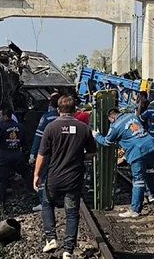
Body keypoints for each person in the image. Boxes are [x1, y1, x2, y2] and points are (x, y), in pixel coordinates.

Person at [34, 95, 96, 259]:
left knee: (47, 204)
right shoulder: (84, 128)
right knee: (71, 213)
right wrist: (78, 157)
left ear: (58, 109)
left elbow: (42, 155)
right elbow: (92, 153)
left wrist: (36, 175)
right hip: (74, 178)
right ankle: (68, 250)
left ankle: (51, 238)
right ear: (75, 110)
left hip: (54, 177)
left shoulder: (51, 127)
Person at [93, 107, 154, 218]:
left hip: (137, 150)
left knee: (138, 180)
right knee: (150, 170)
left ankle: (135, 210)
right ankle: (151, 194)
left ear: (112, 118)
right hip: (151, 144)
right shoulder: (132, 116)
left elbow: (107, 142)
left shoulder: (115, 126)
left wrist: (96, 135)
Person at [0, 106, 31, 208]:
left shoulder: (1, 127)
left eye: (0, 115)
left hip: (4, 157)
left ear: (5, 116)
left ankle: (1, 202)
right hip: (17, 155)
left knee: (2, 180)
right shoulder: (20, 127)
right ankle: (32, 192)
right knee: (26, 174)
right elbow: (25, 142)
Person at [30, 93, 60, 211]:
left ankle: (43, 202)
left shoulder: (46, 118)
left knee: (43, 176)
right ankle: (56, 200)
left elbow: (38, 136)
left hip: (47, 152)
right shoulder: (64, 118)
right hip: (61, 152)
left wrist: (33, 153)